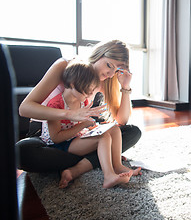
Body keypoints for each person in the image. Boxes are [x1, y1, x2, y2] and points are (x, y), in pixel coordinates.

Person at [16, 40, 142, 183]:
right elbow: (24, 109)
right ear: (99, 55)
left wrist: (125, 87)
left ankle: (85, 163)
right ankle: (95, 159)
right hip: (47, 134)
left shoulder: (103, 80)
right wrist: (69, 114)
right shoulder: (65, 66)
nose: (111, 74)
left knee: (132, 132)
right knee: (22, 152)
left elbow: (122, 121)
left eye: (116, 70)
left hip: (77, 135)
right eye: (109, 65)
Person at [41, 60, 140, 188]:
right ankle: (108, 176)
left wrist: (92, 126)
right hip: (59, 144)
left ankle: (118, 166)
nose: (89, 95)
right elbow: (56, 138)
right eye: (86, 91)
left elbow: (84, 124)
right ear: (72, 83)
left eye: (91, 91)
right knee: (103, 138)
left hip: (75, 136)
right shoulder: (56, 105)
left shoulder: (83, 100)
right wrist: (84, 125)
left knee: (114, 129)